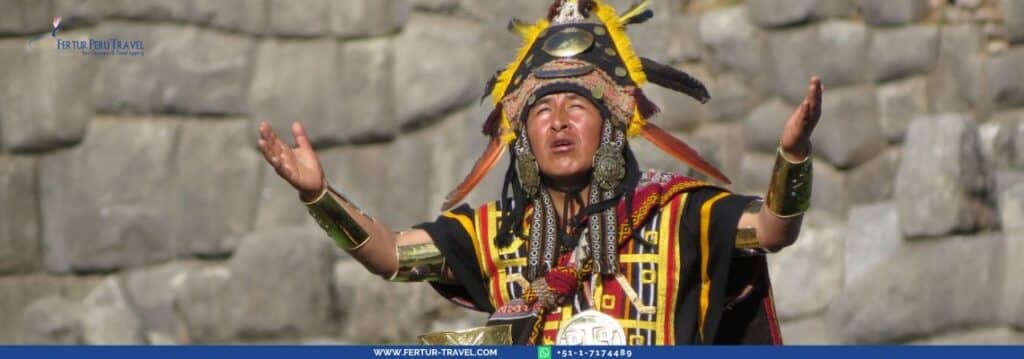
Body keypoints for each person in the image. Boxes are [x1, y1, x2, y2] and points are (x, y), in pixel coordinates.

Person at [257, 0, 821, 345]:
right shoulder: (493, 233)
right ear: (521, 134)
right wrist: (318, 196)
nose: (558, 123)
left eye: (577, 107)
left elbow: (774, 229)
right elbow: (392, 256)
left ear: (612, 123)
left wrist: (792, 157)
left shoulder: (681, 213)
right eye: (542, 111)